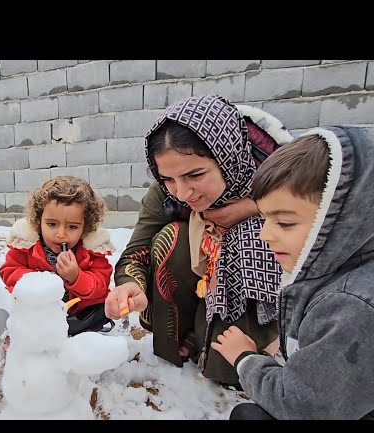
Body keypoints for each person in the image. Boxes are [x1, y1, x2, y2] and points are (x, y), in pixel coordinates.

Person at [106, 94, 293, 387]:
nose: (182, 193)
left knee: (226, 371)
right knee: (170, 238)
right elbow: (136, 250)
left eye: (195, 174)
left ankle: (261, 338)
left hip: (268, 297)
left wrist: (258, 208)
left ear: (227, 155)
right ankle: (186, 333)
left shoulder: (287, 178)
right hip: (200, 283)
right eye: (168, 179)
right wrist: (130, 285)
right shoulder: (166, 191)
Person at [211, 126, 374, 420]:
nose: (264, 235)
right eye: (263, 218)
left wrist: (246, 360)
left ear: (345, 220)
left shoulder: (350, 306)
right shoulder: (343, 272)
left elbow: (302, 404)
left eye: (284, 223)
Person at [0, 176, 115, 336]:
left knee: (103, 308)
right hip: (38, 312)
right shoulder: (26, 246)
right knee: (10, 302)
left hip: (77, 314)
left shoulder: (91, 251)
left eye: (72, 227)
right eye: (52, 224)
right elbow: (9, 271)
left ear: (85, 226)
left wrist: (76, 277)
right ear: (39, 221)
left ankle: (76, 331)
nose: (61, 234)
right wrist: (38, 280)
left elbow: (101, 285)